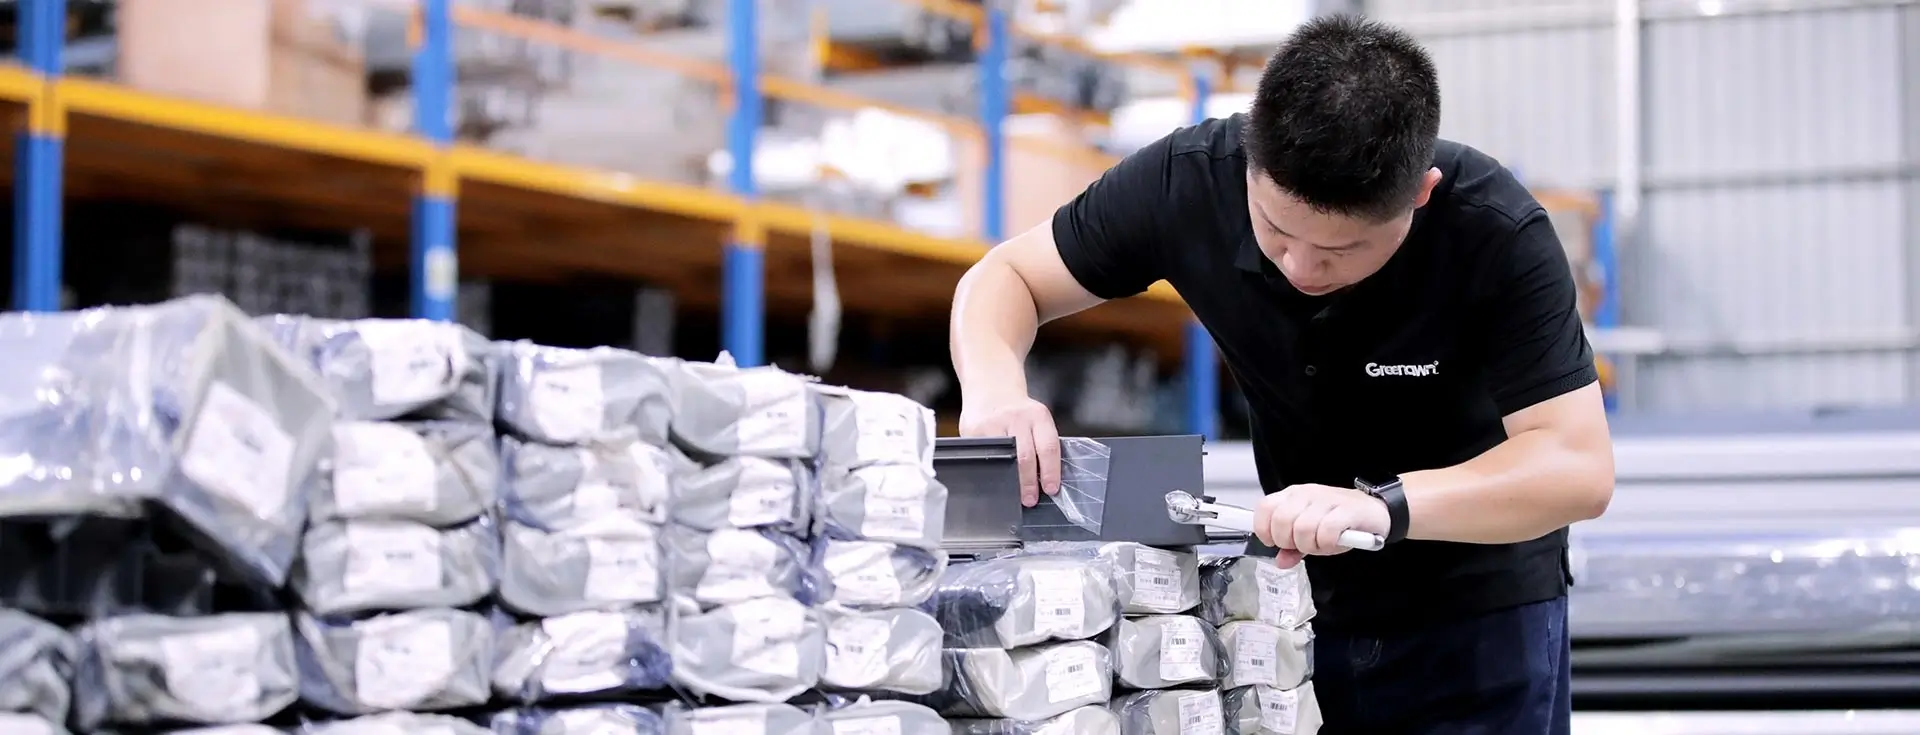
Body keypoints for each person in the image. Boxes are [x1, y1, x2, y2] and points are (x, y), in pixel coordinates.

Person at [947, 14, 1615, 735]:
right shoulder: (1189, 180)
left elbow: (1575, 464)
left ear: (1419, 195)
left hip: (1480, 626)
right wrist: (994, 391)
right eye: (1276, 230)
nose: (1299, 267)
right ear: (1248, 163)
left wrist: (1384, 506)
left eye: (1341, 250)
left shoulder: (1496, 233)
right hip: (1288, 614)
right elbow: (1005, 276)